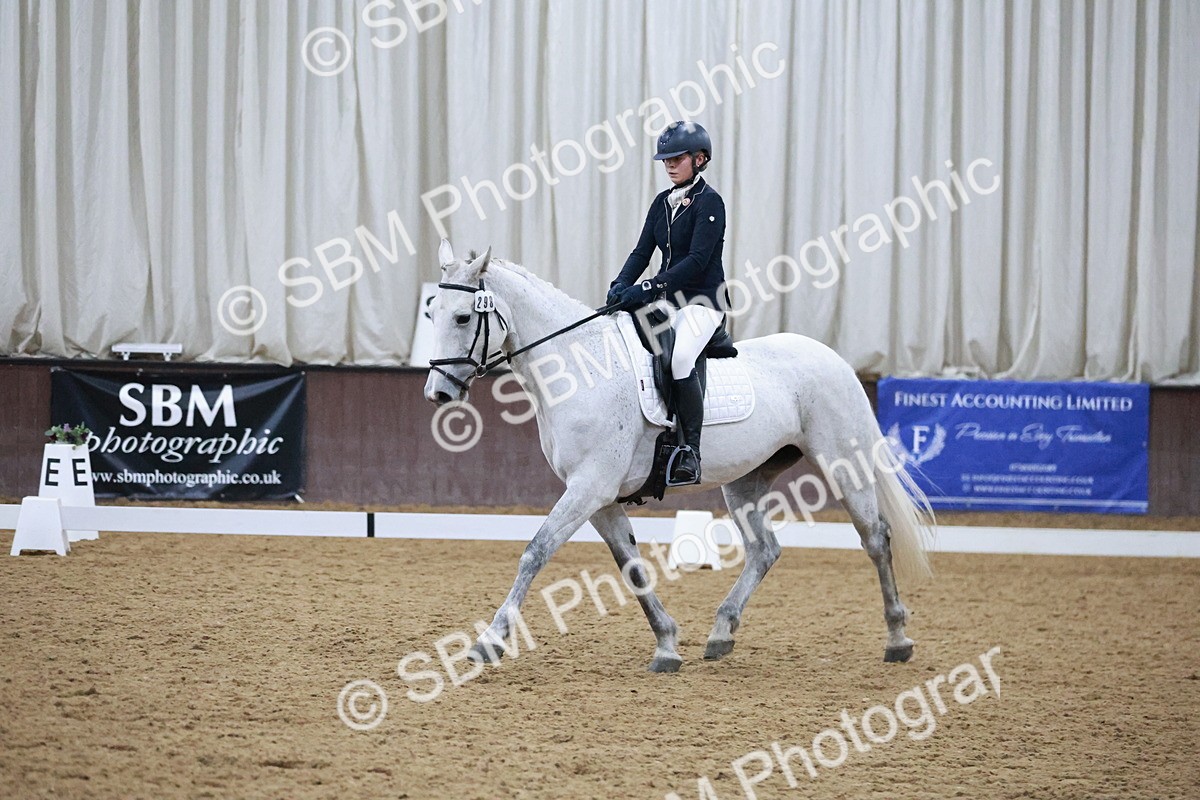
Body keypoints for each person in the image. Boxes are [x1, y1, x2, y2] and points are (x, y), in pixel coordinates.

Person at [607, 120, 727, 485]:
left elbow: (697, 261)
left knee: (679, 358)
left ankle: (691, 450)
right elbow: (642, 250)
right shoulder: (662, 203)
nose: (670, 165)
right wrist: (620, 284)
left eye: (677, 158)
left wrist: (648, 286)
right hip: (667, 302)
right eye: (666, 160)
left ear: (700, 159)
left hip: (703, 302)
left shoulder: (710, 203)